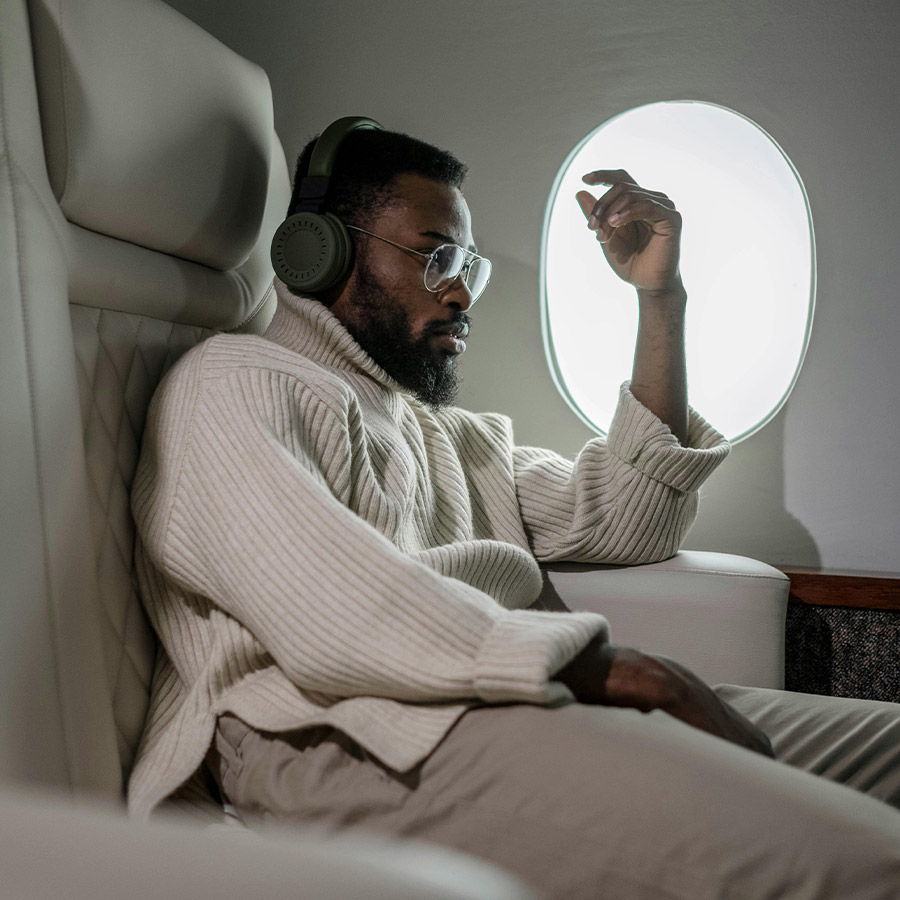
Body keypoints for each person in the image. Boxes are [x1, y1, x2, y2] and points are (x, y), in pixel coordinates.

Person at [129, 124, 900, 899]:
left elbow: (632, 518)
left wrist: (659, 296)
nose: (460, 292)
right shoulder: (235, 382)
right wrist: (629, 675)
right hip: (331, 740)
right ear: (318, 250)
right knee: (864, 864)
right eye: (435, 258)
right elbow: (334, 612)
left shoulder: (441, 435)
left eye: (468, 266)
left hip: (495, 700)